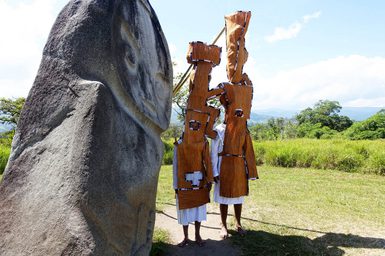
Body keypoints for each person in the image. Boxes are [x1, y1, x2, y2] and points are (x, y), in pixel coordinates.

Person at [211, 123, 257, 239]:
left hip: (239, 165)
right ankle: (223, 225)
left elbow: (247, 150)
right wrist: (214, 171)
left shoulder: (242, 128)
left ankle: (238, 224)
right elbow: (214, 152)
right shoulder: (219, 129)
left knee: (238, 197)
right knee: (223, 198)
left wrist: (249, 170)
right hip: (223, 165)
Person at [173, 140, 212, 247]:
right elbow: (175, 166)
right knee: (185, 211)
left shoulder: (202, 142)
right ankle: (185, 237)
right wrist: (176, 186)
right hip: (184, 184)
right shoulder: (179, 144)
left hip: (199, 182)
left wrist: (209, 179)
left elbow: (207, 161)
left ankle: (197, 235)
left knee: (198, 211)